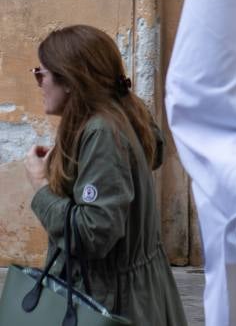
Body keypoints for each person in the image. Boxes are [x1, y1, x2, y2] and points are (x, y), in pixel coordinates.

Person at [25, 24, 187, 325]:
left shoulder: (101, 131)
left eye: (41, 74)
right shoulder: (121, 114)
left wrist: (40, 187)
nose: (38, 83)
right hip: (132, 295)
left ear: (70, 80)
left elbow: (91, 234)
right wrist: (73, 164)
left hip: (111, 304)